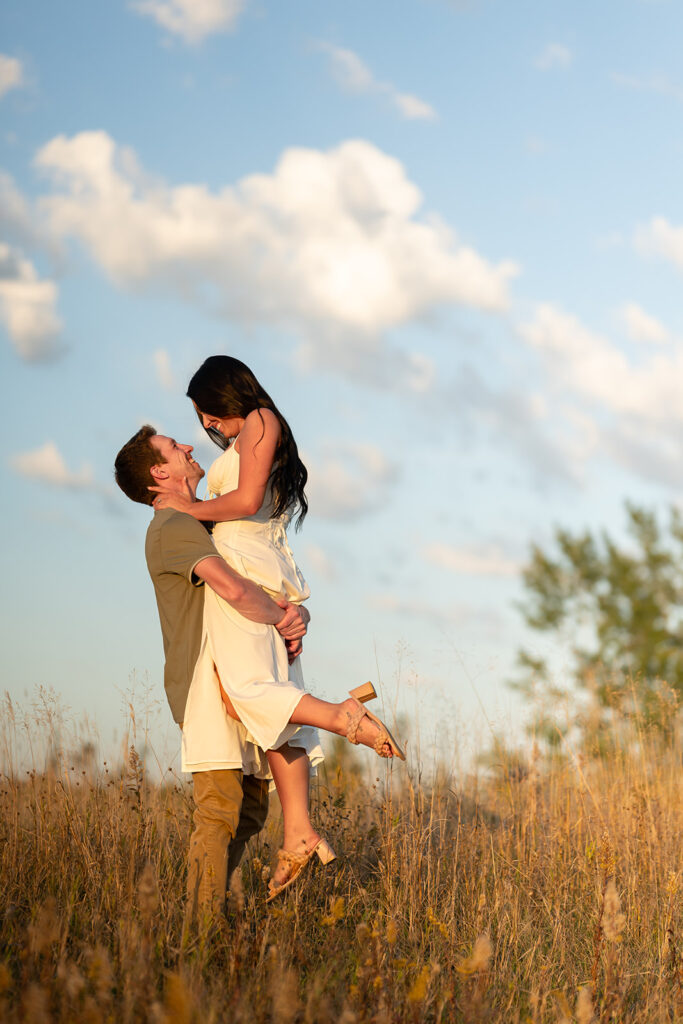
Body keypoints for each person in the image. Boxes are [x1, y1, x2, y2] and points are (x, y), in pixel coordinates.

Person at [150, 356, 404, 901]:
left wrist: (184, 509)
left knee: (248, 691)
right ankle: (299, 833)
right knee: (274, 706)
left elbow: (243, 502)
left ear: (225, 395)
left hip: (244, 566)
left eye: (207, 416)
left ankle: (343, 716)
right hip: (251, 563)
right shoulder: (254, 431)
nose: (209, 429)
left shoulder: (261, 419)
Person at [114, 425, 311, 923]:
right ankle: (200, 937)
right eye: (173, 448)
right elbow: (234, 589)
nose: (187, 446)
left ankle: (213, 914)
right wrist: (283, 615)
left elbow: (253, 585)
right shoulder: (173, 527)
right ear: (159, 473)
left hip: (234, 676)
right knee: (219, 809)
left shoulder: (200, 524)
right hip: (204, 682)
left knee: (248, 809)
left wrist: (294, 614)